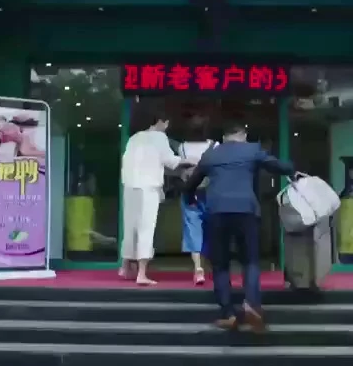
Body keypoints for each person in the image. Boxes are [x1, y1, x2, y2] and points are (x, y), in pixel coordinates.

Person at [184, 121, 295, 332]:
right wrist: (291, 167)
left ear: (224, 137)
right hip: (246, 211)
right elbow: (279, 166)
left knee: (220, 264)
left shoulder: (211, 155)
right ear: (243, 135)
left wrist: (191, 199)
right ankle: (251, 304)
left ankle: (228, 314)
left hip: (217, 212)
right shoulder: (252, 150)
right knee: (250, 261)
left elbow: (191, 183)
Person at [120, 112, 195, 286]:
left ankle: (125, 267)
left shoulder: (134, 138)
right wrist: (189, 160)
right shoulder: (160, 137)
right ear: (161, 122)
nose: (167, 127)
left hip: (130, 186)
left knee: (130, 227)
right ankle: (141, 274)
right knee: (146, 228)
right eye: (166, 123)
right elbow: (169, 161)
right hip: (148, 187)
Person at [178, 116, 217, 285]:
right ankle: (212, 265)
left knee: (192, 227)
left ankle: (198, 268)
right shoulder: (214, 146)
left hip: (190, 191)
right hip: (211, 192)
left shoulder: (182, 147)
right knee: (212, 228)